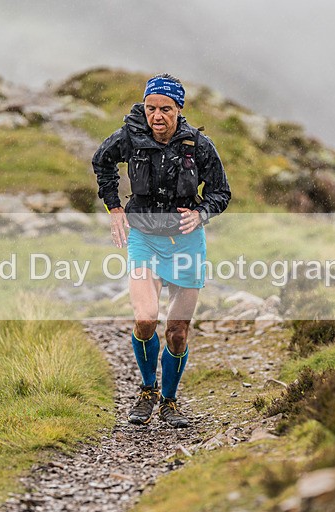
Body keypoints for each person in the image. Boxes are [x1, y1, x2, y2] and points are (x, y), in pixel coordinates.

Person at [92, 74, 231, 428]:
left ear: (178, 109)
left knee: (178, 331)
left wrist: (201, 214)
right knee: (145, 318)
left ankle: (170, 402)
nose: (157, 115)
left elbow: (221, 192)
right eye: (151, 107)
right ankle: (147, 390)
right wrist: (115, 208)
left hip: (186, 242)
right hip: (144, 237)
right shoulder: (129, 137)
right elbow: (101, 161)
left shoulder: (198, 145)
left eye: (165, 109)